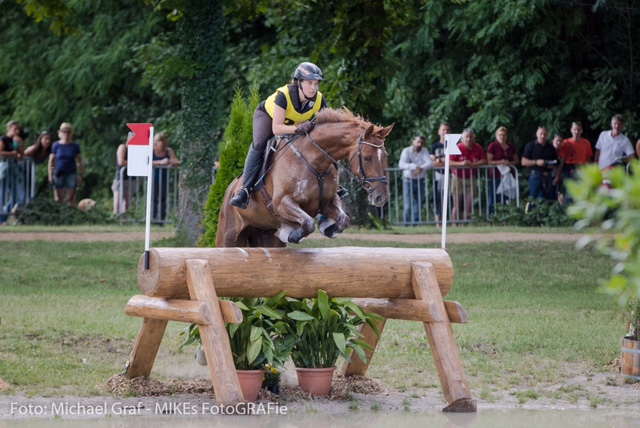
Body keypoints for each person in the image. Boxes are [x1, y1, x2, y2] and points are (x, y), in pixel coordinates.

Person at [229, 62, 330, 209]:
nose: (314, 88)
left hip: (295, 125)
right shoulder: (284, 95)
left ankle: (332, 185)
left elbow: (325, 126)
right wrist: (298, 129)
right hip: (268, 117)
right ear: (299, 82)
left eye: (316, 84)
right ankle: (244, 189)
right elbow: (276, 129)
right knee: (259, 144)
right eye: (309, 83)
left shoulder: (319, 100)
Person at [450, 128, 486, 224]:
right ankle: (454, 224)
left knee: (469, 204)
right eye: (466, 137)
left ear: (474, 138)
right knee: (457, 204)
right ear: (462, 138)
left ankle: (465, 225)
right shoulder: (458, 147)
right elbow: (449, 162)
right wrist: (461, 164)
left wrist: (473, 165)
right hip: (457, 177)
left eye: (470, 137)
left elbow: (483, 160)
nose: (468, 139)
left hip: (471, 178)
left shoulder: (477, 147)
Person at [398, 135, 433, 225]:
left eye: (421, 143)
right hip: (408, 180)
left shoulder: (424, 151)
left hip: (420, 180)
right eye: (418, 142)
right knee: (408, 205)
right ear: (413, 142)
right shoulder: (406, 151)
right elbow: (401, 164)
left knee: (418, 204)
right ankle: (406, 224)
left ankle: (416, 225)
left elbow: (429, 163)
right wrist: (414, 167)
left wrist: (421, 168)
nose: (419, 144)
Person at [48, 122, 84, 206]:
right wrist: (51, 173)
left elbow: (79, 161)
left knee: (71, 198)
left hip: (71, 172)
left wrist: (81, 174)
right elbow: (51, 161)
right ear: (60, 133)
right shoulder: (56, 145)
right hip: (59, 172)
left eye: (68, 132)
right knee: (58, 198)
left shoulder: (75, 146)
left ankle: (70, 214)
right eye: (64, 132)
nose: (66, 134)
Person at [557, 122, 593, 204]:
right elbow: (562, 160)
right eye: (575, 129)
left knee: (581, 193)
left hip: (582, 169)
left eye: (578, 129)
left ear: (581, 131)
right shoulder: (566, 143)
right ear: (571, 130)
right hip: (569, 168)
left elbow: (588, 159)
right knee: (567, 192)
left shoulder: (586, 143)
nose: (576, 132)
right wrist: (558, 175)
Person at [486, 126, 519, 214]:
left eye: (504, 135)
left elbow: (516, 160)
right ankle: (491, 217)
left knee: (507, 197)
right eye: (500, 135)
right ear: (497, 136)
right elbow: (489, 161)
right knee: (493, 197)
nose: (502, 137)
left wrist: (510, 163)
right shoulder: (493, 146)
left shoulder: (511, 147)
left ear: (506, 136)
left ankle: (507, 216)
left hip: (509, 175)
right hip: (496, 175)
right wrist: (500, 162)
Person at [521, 126, 558, 201]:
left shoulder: (551, 148)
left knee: (548, 200)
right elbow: (523, 162)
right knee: (533, 199)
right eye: (541, 134)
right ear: (537, 134)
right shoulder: (530, 146)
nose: (543, 136)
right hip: (536, 175)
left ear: (548, 135)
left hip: (548, 176)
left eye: (545, 134)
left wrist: (552, 165)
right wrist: (536, 162)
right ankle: (531, 212)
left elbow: (556, 161)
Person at [1, 120, 25, 222]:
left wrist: (21, 145)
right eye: (15, 129)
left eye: (18, 129)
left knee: (18, 196)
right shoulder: (4, 139)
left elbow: (21, 156)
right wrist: (12, 153)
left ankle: (3, 217)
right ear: (9, 129)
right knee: (2, 194)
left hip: (14, 169)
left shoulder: (15, 141)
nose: (17, 131)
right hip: (4, 167)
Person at [152, 132, 179, 222]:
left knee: (163, 200)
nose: (162, 142)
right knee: (153, 199)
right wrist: (160, 162)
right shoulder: (151, 151)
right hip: (153, 179)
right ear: (156, 142)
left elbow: (175, 161)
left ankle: (162, 219)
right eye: (160, 140)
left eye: (163, 140)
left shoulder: (169, 151)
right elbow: (147, 163)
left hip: (164, 179)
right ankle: (153, 218)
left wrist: (170, 162)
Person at [429, 122, 450, 226]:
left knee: (450, 199)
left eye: (447, 130)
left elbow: (453, 161)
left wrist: (439, 161)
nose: (445, 132)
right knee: (438, 198)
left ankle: (451, 222)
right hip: (438, 176)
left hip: (451, 176)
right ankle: (438, 222)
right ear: (439, 131)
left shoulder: (452, 146)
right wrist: (443, 160)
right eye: (443, 130)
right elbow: (432, 162)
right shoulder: (434, 146)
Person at [112, 132, 132, 217]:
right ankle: (116, 219)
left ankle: (124, 220)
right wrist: (135, 163)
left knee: (127, 203)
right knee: (117, 203)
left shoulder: (136, 150)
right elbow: (121, 162)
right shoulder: (123, 147)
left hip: (131, 178)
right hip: (120, 178)